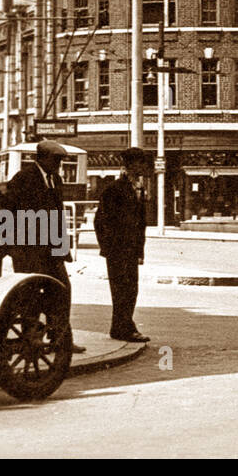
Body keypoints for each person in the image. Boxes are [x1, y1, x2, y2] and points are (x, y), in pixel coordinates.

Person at [6, 140, 83, 352]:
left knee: (62, 290)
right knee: (31, 295)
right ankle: (31, 337)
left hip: (51, 251)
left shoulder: (55, 179)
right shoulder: (23, 179)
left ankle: (60, 337)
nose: (58, 164)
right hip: (29, 251)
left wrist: (62, 249)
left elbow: (57, 215)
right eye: (55, 160)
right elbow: (9, 213)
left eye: (60, 160)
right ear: (40, 158)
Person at [95, 147, 152, 342]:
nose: (145, 167)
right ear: (133, 164)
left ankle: (123, 325)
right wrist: (109, 247)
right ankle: (123, 327)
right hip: (118, 250)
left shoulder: (138, 187)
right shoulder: (115, 189)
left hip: (130, 250)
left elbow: (139, 223)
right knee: (122, 290)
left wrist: (139, 251)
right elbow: (101, 220)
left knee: (130, 289)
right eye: (142, 162)